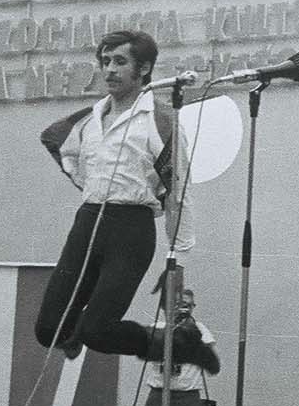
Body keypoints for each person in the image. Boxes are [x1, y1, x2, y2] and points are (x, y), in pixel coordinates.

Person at [36, 30, 218, 371]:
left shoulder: (161, 121)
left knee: (96, 331)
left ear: (144, 68)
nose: (109, 70)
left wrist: (177, 259)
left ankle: (181, 345)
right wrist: (96, 189)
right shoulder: (89, 120)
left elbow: (179, 192)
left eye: (120, 61)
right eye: (105, 61)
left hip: (130, 230)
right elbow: (67, 154)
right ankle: (89, 334)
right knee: (48, 330)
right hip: (88, 221)